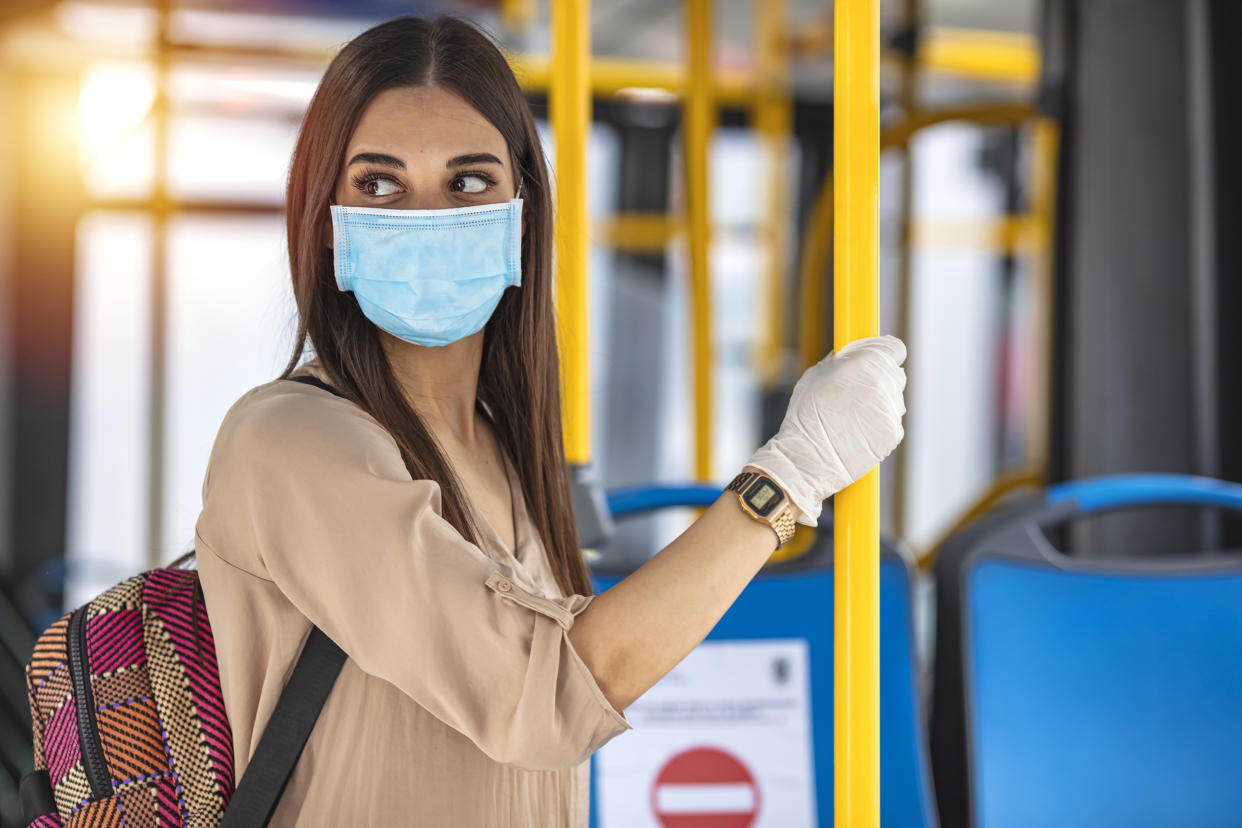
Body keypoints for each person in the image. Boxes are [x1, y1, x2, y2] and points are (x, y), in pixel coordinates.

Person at [192, 14, 907, 827]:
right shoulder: (289, 441)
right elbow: (546, 697)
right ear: (326, 223)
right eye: (380, 184)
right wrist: (790, 477)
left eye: (467, 183)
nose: (427, 217)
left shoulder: (505, 448)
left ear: (520, 212)